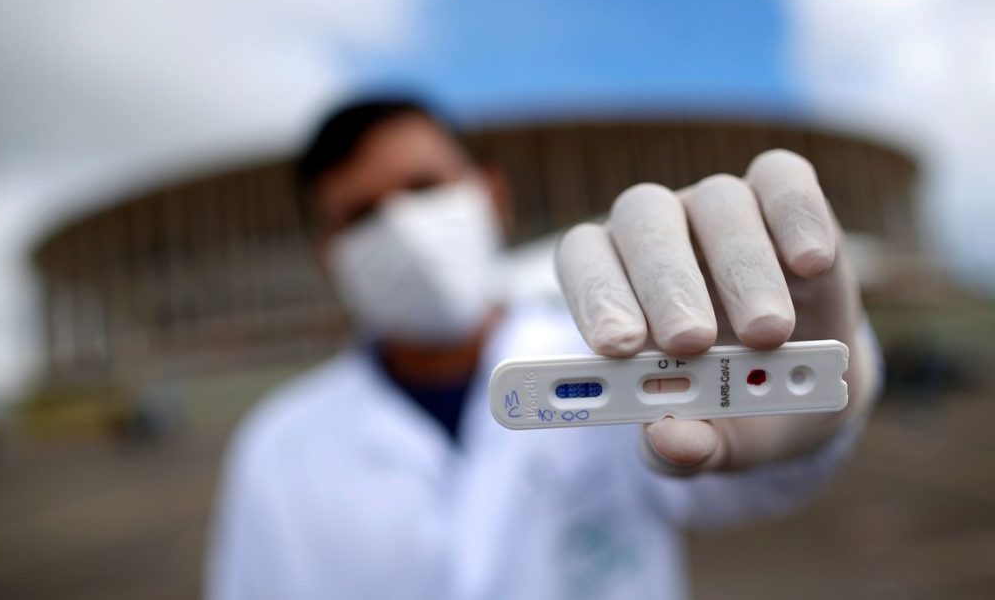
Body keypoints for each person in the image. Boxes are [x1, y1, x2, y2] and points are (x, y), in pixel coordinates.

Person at [205, 96, 879, 599]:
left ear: (490, 196)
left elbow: (747, 483)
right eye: (361, 216)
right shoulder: (276, 448)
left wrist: (812, 398)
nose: (404, 229)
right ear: (330, 255)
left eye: (424, 188)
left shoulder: (624, 354)